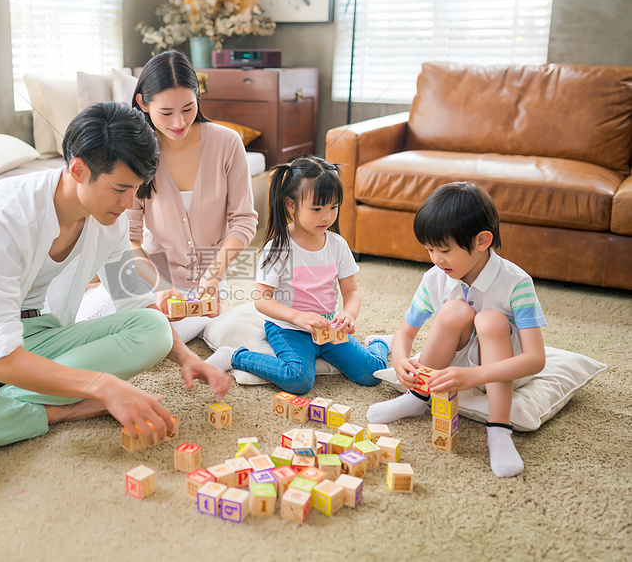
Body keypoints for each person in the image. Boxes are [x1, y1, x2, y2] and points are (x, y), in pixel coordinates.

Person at [0, 102, 231, 457]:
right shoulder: (2, 217)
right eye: (120, 188)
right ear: (78, 169)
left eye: (137, 188)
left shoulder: (110, 220)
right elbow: (0, 357)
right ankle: (57, 411)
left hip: (42, 335)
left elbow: (134, 301)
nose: (129, 202)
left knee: (152, 326)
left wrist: (184, 357)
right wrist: (103, 387)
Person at [365, 181, 546, 478]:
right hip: (454, 366)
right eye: (430, 249)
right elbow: (405, 332)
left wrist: (474, 376)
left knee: (491, 320)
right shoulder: (435, 278)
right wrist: (399, 359)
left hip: (503, 369)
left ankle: (500, 428)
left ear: (482, 241)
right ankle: (417, 398)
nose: (436, 259)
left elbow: (536, 359)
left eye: (444, 250)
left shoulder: (517, 282)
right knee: (454, 311)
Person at [77, 50, 257, 347]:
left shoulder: (227, 143)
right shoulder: (136, 153)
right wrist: (161, 287)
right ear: (143, 104)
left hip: (206, 283)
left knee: (150, 341)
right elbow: (130, 239)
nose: (178, 122)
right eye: (166, 113)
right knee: (83, 328)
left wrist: (213, 277)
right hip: (150, 275)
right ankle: (94, 292)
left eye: (188, 108)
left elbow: (244, 221)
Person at [207, 156, 390, 394]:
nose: (327, 217)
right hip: (287, 328)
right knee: (298, 380)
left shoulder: (337, 245)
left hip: (329, 327)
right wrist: (298, 318)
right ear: (291, 205)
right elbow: (262, 300)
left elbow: (351, 290)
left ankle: (379, 343)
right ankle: (234, 357)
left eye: (333, 207)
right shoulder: (279, 247)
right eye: (317, 209)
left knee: (372, 373)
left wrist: (349, 313)